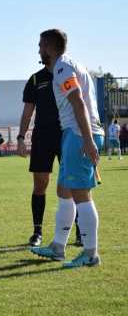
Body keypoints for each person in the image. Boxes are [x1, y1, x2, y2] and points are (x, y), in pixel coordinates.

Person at [31, 29, 104, 268]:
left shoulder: (62, 68)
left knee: (82, 195)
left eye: (41, 45)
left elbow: (78, 102)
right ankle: (57, 247)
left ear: (50, 48)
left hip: (79, 135)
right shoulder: (68, 66)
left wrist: (87, 139)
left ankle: (91, 254)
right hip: (73, 134)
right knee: (64, 191)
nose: (39, 49)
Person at [17, 67, 82, 247]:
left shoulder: (68, 74)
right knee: (40, 184)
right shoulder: (36, 79)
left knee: (73, 184)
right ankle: (37, 232)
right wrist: (21, 137)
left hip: (67, 134)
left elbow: (80, 103)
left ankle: (80, 232)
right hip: (42, 137)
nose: (41, 51)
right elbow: (27, 111)